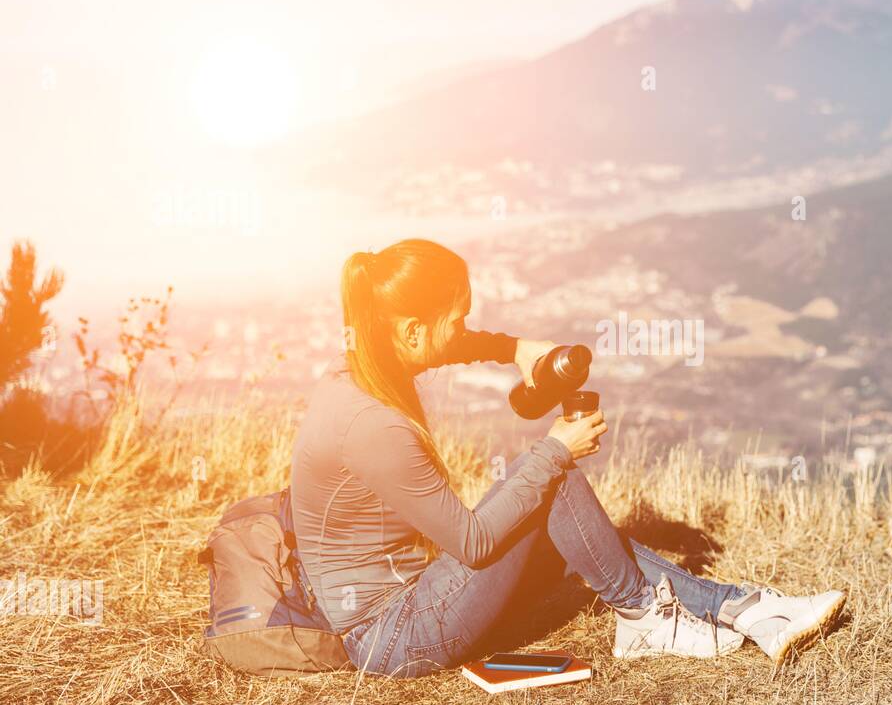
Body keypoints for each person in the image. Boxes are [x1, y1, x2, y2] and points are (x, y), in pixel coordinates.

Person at [289, 238, 845, 677]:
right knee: (551, 482)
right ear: (410, 330)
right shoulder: (373, 426)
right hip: (392, 638)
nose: (461, 331)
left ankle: (744, 611)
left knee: (567, 516)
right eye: (455, 319)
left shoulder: (362, 365)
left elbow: (448, 343)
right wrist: (556, 449)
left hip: (401, 602)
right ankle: (649, 616)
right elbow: (473, 543)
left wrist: (513, 349)